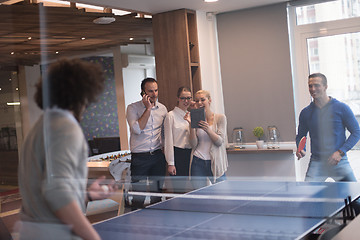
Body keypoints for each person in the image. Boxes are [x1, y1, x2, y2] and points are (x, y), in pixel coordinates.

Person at [17, 59, 116, 240]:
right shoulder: (66, 129)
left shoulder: (39, 127)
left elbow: (44, 189)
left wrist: (86, 195)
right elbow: (56, 193)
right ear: (83, 95)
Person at [296, 73, 360, 182]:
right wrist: (301, 148)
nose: (312, 89)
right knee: (308, 196)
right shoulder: (305, 112)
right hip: (317, 162)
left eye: (316, 85)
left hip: (339, 161)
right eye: (310, 86)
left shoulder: (342, 108)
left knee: (355, 197)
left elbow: (356, 132)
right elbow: (301, 135)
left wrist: (340, 152)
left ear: (326, 86)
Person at [126, 77, 167, 208]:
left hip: (157, 156)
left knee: (157, 194)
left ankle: (159, 224)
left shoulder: (163, 109)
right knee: (139, 196)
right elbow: (137, 129)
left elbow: (165, 133)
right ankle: (136, 226)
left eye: (156, 90)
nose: (154, 94)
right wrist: (148, 109)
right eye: (150, 91)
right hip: (140, 158)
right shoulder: (132, 108)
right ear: (143, 93)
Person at [186, 90, 228, 189]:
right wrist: (191, 124)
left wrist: (208, 130)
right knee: (199, 196)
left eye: (202, 100)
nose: (199, 103)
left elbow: (219, 142)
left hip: (215, 162)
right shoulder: (196, 118)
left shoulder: (220, 118)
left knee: (222, 194)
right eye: (197, 101)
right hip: (197, 161)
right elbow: (193, 144)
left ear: (209, 100)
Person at [164, 87, 192, 192]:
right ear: (178, 99)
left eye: (189, 98)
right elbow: (168, 141)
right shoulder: (170, 116)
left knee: (191, 189)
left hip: (191, 154)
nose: (186, 101)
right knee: (179, 189)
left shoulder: (191, 115)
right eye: (183, 98)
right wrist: (171, 163)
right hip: (178, 154)